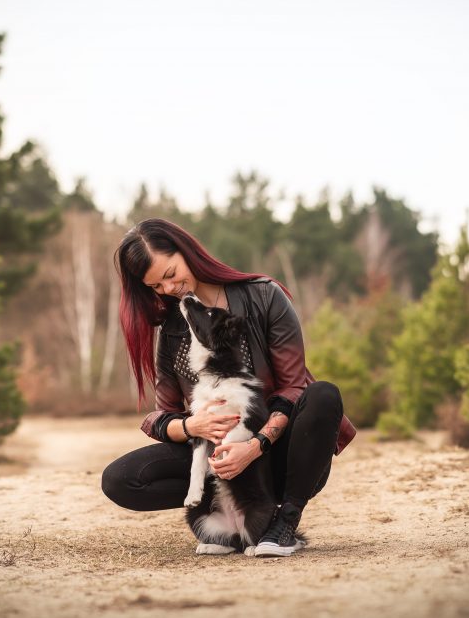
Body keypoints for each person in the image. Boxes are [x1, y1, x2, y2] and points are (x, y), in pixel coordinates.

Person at [101, 218, 356, 557]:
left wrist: (255, 445)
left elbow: (293, 388)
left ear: (187, 252)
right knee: (120, 479)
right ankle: (228, 521)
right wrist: (192, 425)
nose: (169, 288)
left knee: (323, 394)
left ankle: (284, 522)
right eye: (156, 286)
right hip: (216, 458)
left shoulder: (264, 296)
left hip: (281, 457)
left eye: (170, 273)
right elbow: (165, 415)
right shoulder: (173, 330)